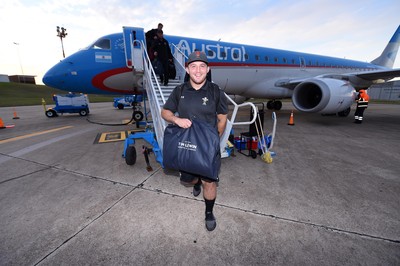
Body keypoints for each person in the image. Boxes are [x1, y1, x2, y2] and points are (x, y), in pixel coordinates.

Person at [161, 51, 228, 231]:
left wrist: (214, 141)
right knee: (189, 180)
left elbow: (222, 119)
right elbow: (165, 112)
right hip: (187, 146)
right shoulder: (179, 90)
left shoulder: (216, 92)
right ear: (188, 69)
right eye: (193, 66)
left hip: (207, 147)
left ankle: (209, 212)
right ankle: (195, 182)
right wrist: (176, 119)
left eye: (202, 66)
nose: (198, 70)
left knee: (210, 182)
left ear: (208, 69)